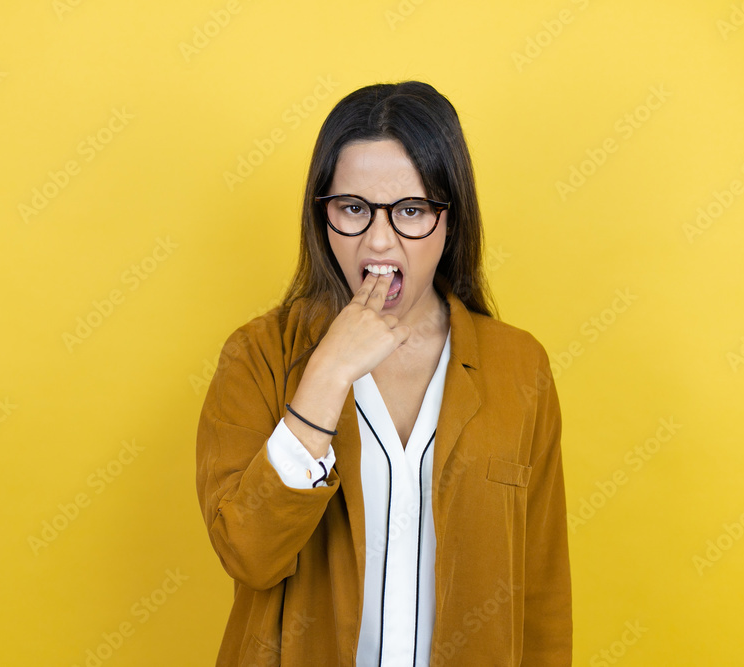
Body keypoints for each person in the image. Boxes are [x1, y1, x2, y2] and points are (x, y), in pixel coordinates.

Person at [196, 80, 572, 666]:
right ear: (322, 216)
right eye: (352, 208)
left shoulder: (520, 366)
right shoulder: (258, 356)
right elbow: (249, 554)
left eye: (411, 210)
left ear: (450, 221)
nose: (378, 239)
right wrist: (327, 373)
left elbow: (543, 592)